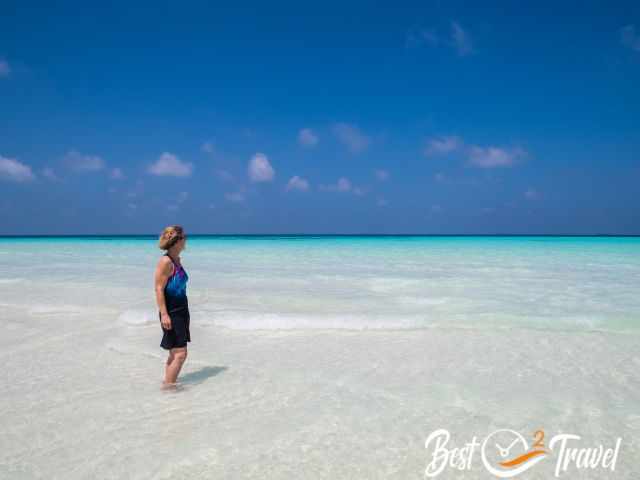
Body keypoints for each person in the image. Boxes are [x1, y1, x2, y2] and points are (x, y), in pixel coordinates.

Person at [154, 225, 190, 389]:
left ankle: (168, 384)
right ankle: (169, 388)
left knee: (175, 353)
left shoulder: (177, 261)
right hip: (172, 312)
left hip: (181, 311)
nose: (186, 240)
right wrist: (164, 314)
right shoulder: (165, 262)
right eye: (184, 237)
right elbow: (159, 289)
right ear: (177, 241)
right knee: (181, 354)